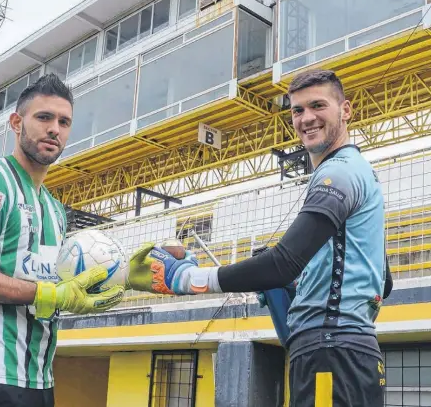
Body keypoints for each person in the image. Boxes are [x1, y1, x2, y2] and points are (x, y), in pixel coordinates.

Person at [128, 69, 393, 406]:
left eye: (318, 106)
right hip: (347, 353)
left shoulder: (338, 173)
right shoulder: (362, 173)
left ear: (346, 110)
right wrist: (298, 291)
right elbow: (383, 283)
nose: (306, 118)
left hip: (332, 354)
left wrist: (187, 279)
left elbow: (283, 262)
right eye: (297, 110)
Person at [0, 73, 125, 407]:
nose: (55, 128)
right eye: (44, 117)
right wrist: (49, 294)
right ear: (16, 123)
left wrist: (126, 277)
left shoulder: (55, 210)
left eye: (64, 121)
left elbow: (57, 282)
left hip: (38, 378)